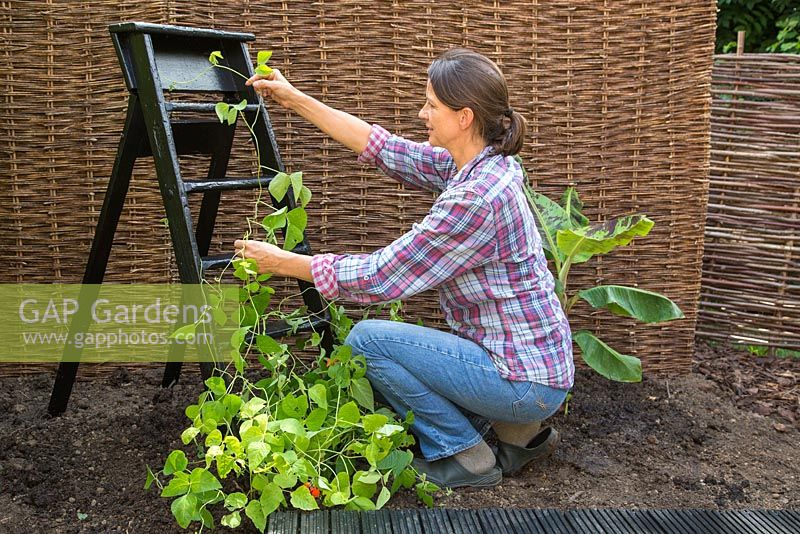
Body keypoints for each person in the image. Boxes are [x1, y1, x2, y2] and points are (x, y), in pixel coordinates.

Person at [235, 48, 574, 489]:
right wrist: (295, 99)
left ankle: (464, 454)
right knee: (413, 351)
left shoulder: (475, 200)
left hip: (524, 379)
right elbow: (384, 148)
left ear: (464, 116)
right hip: (532, 366)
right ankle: (520, 435)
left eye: (432, 105)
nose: (422, 113)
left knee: (368, 341)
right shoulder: (483, 165)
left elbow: (380, 276)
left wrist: (281, 263)